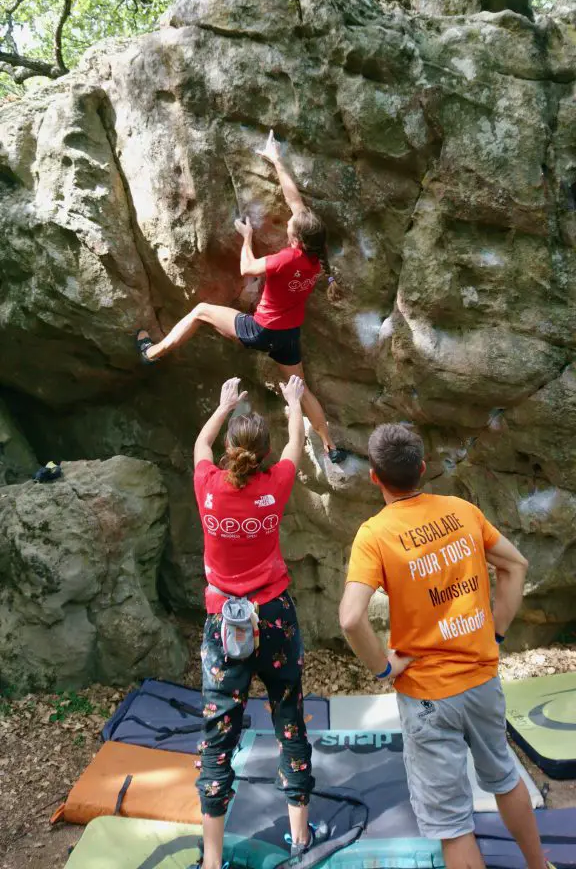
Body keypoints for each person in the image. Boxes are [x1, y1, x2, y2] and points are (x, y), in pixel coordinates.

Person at [338, 423, 557, 869]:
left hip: (427, 697)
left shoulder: (375, 534)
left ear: (375, 477)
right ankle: (540, 866)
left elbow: (350, 617)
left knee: (452, 826)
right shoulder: (462, 511)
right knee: (504, 778)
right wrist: (495, 632)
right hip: (481, 681)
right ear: (422, 469)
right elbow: (515, 565)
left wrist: (383, 668)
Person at [136, 130, 346, 463]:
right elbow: (296, 204)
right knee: (301, 390)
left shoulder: (286, 259)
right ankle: (330, 445)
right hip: (288, 337)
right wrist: (276, 160)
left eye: (291, 226)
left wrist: (247, 236)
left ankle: (153, 352)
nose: (290, 222)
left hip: (260, 330)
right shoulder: (317, 258)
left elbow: (248, 268)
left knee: (202, 310)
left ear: (296, 240)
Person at [193, 374, 324, 869]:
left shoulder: (207, 484)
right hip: (273, 617)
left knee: (219, 733)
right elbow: (297, 441)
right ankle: (300, 837)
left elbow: (201, 442)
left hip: (223, 621)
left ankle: (211, 861)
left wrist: (224, 404)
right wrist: (293, 402)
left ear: (230, 450)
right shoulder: (276, 485)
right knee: (288, 715)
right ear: (263, 455)